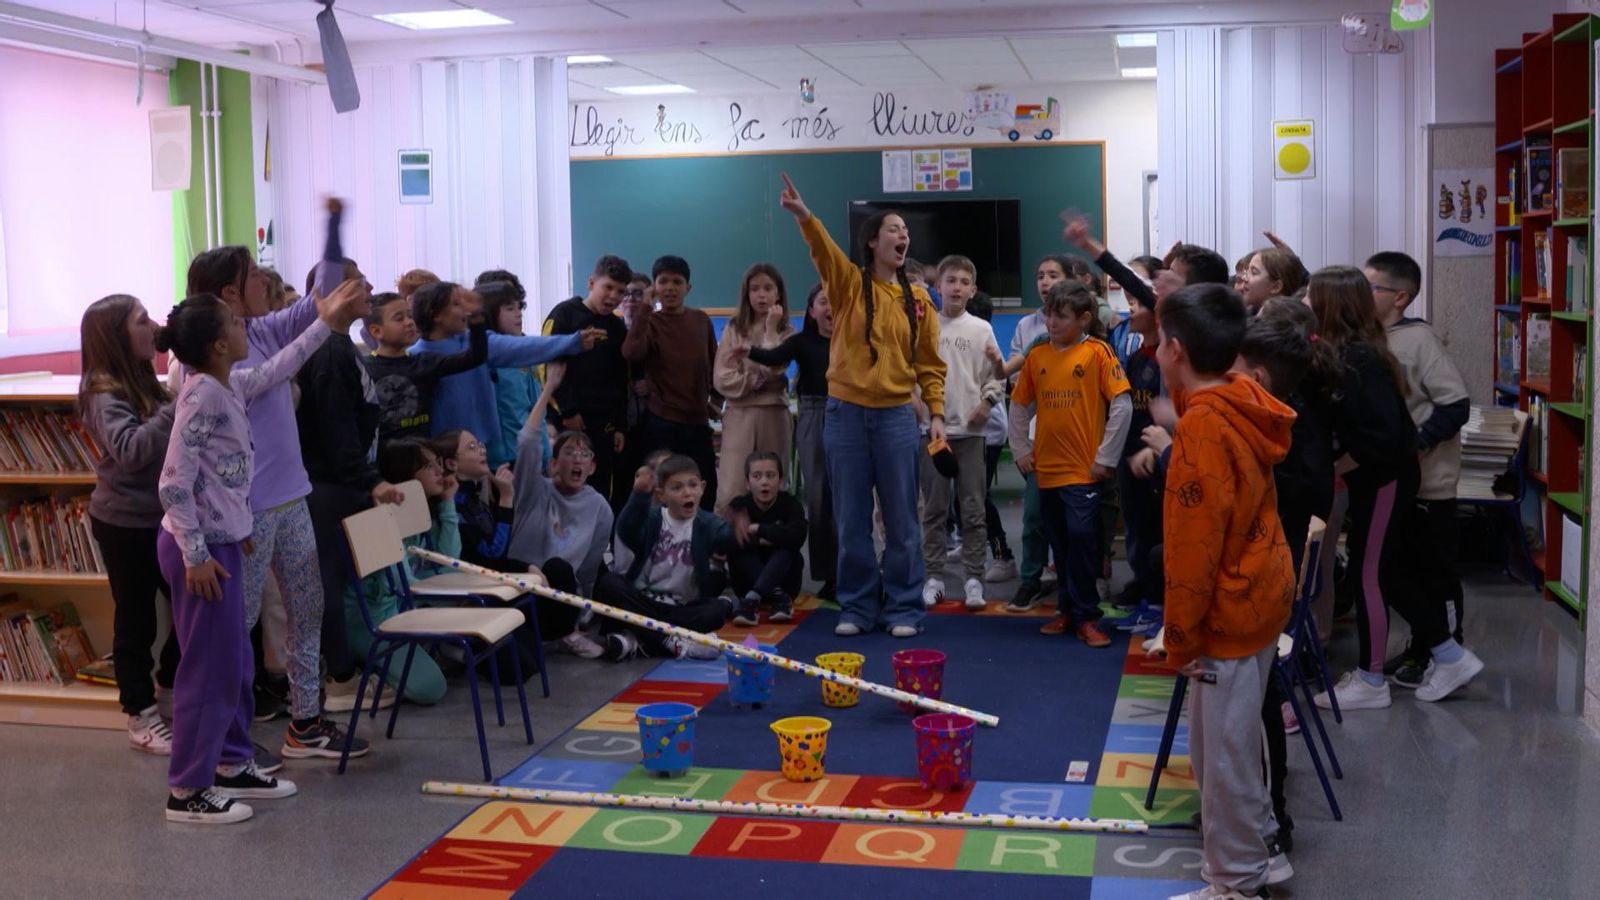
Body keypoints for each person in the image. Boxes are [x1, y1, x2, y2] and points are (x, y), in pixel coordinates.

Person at [155, 285, 360, 825]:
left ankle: (231, 760)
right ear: (220, 344)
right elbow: (173, 484)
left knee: (236, 662)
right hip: (197, 550)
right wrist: (198, 552)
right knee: (209, 670)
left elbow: (283, 364)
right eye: (236, 322)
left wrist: (327, 324)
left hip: (222, 540)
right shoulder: (201, 395)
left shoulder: (228, 386)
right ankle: (187, 789)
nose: (248, 325)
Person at [1151, 283, 1297, 900]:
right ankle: (1261, 848)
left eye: (1160, 342)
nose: (1154, 351)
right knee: (1232, 743)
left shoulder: (1202, 431)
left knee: (1222, 759)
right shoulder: (1237, 396)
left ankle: (1236, 885)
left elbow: (1193, 548)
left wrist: (1179, 637)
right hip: (1261, 593)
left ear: (1177, 349)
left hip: (1229, 610)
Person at [184, 216, 346, 767]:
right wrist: (325, 322)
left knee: (308, 608)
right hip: (243, 514)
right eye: (254, 276)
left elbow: (320, 299)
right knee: (237, 629)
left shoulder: (256, 329)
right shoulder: (206, 359)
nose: (265, 283)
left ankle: (305, 722)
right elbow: (278, 370)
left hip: (290, 497)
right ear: (230, 291)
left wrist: (332, 229)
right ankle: (230, 741)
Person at [780, 173, 946, 638]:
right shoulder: (849, 285)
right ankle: (856, 607)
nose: (903, 236)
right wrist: (805, 216)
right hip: (845, 416)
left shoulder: (919, 301)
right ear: (872, 241)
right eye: (894, 229)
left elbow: (931, 364)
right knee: (850, 519)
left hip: (896, 417)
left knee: (901, 520)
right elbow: (825, 252)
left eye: (906, 231)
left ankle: (904, 608)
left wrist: (934, 414)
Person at [1366, 251, 1483, 699]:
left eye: (1371, 287)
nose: (1363, 294)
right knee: (1404, 568)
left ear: (1400, 297)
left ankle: (1446, 651)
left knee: (1434, 571)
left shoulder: (1418, 340)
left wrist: (1415, 443)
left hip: (1429, 481)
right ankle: (1422, 647)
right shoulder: (1376, 337)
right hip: (1398, 481)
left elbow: (1455, 404)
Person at [1306, 267, 1419, 713]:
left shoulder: (1361, 359)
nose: (1306, 303)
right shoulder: (1343, 352)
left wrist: (1336, 465)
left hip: (1386, 479)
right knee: (1369, 572)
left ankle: (1373, 679)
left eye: (1312, 297)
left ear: (1330, 305)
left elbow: (1382, 439)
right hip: (1371, 477)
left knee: (1368, 575)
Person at [78, 294, 180, 755]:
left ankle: (169, 685)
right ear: (118, 336)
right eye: (142, 321)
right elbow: (133, 451)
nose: (153, 326)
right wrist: (174, 408)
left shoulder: (143, 379)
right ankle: (139, 714)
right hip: (125, 524)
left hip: (160, 519)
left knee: (190, 605)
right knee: (136, 620)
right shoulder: (103, 392)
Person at [1007, 281, 1131, 646]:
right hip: (1047, 469)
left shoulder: (1097, 353)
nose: (1051, 322)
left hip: (1084, 471)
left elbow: (1121, 405)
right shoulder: (1038, 356)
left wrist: (1105, 457)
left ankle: (1087, 615)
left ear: (1084, 318)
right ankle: (1067, 610)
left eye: (1061, 316)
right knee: (1058, 543)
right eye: (1048, 315)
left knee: (1082, 539)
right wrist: (1020, 449)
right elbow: (1018, 405)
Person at [410, 280, 597, 467]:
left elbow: (520, 347)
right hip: (442, 459)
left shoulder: (477, 343)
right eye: (457, 304)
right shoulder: (415, 358)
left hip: (487, 458)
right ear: (436, 315)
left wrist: (572, 342)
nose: (465, 310)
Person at [343, 439, 460, 706]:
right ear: (406, 477)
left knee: (459, 596)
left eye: (439, 465)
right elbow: (404, 585)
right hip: (371, 619)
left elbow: (448, 563)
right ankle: (367, 669)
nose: (440, 473)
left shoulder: (420, 516)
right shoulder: (379, 518)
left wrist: (448, 504)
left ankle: (434, 651)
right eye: (429, 466)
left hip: (400, 602)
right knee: (432, 687)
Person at [920, 255, 1005, 611]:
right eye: (949, 280)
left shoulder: (981, 329)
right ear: (937, 287)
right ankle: (934, 576)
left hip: (970, 433)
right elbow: (913, 375)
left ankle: (973, 578)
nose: (956, 286)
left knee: (972, 508)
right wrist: (920, 410)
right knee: (934, 509)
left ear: (973, 289)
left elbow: (996, 376)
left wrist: (986, 404)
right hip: (933, 432)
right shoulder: (924, 326)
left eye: (963, 281)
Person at [596, 455, 736, 658]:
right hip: (643, 601)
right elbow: (627, 530)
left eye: (692, 485)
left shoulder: (707, 523)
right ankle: (670, 641)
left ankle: (637, 640)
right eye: (677, 488)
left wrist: (738, 527)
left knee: (714, 611)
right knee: (609, 583)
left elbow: (725, 538)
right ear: (661, 494)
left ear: (702, 488)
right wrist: (639, 496)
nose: (687, 492)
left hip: (680, 609)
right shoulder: (653, 518)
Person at [747, 284, 836, 600]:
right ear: (812, 311)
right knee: (820, 500)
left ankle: (856, 571)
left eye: (837, 302)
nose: (830, 309)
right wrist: (744, 349)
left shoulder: (852, 342)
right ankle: (829, 575)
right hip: (814, 413)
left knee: (851, 500)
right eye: (824, 302)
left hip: (851, 415)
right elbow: (772, 357)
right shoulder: (801, 342)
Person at [506, 365, 616, 603]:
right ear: (554, 463)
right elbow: (527, 443)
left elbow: (589, 569)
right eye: (569, 452)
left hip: (564, 598)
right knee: (555, 567)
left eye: (584, 454)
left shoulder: (600, 508)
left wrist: (584, 611)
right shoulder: (533, 489)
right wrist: (548, 390)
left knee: (609, 583)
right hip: (522, 588)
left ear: (593, 467)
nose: (577, 458)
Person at [1001, 254, 1074, 611]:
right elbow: (1017, 392)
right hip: (1037, 440)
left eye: (1053, 275)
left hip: (1078, 448)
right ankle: (1030, 579)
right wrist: (1019, 448)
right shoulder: (1033, 341)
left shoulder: (1092, 344)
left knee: (1074, 521)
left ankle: (1074, 585)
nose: (1045, 281)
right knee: (1034, 516)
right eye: (1040, 275)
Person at [621, 255, 722, 510]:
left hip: (697, 422)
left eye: (677, 282)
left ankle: (699, 547)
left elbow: (714, 364)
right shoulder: (651, 322)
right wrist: (645, 306)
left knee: (704, 492)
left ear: (688, 288)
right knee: (662, 494)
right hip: (661, 423)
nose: (670, 288)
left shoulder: (701, 321)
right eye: (663, 281)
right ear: (654, 287)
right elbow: (630, 352)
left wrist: (715, 400)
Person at [542, 255, 633, 508]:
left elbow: (620, 379)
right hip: (567, 422)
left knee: (600, 491)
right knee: (564, 489)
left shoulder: (617, 327)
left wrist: (620, 426)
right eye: (608, 288)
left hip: (604, 426)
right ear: (591, 283)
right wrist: (567, 410)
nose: (613, 296)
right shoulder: (564, 315)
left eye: (620, 291)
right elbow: (545, 366)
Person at [714, 263, 797, 514]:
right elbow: (722, 377)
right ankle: (728, 548)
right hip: (740, 414)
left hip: (774, 413)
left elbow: (775, 369)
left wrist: (770, 330)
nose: (761, 295)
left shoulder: (787, 331)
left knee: (771, 484)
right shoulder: (733, 329)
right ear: (746, 294)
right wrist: (752, 380)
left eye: (768, 288)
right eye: (755, 289)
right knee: (732, 487)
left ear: (778, 293)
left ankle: (771, 544)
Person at [363, 291, 489, 443]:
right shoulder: (365, 368)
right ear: (377, 331)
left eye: (410, 316)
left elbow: (475, 357)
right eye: (399, 319)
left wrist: (475, 318)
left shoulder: (425, 362)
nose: (409, 322)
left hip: (423, 454)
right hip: (381, 458)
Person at [726, 451, 808, 625]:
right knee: (738, 547)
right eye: (757, 476)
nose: (764, 482)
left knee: (787, 548)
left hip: (786, 579)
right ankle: (775, 596)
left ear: (780, 480)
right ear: (747, 483)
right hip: (746, 581)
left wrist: (760, 529)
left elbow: (798, 536)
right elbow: (728, 541)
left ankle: (753, 599)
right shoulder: (740, 505)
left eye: (770, 476)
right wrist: (771, 537)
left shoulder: (791, 504)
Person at [479, 279, 549, 471]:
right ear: (489, 313)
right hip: (498, 462)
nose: (519, 313)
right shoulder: (480, 358)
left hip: (531, 454)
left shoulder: (524, 351)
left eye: (519, 307)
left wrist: (547, 454)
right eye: (510, 308)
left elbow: (535, 409)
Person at [1239, 247, 1307, 315]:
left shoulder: (1290, 323)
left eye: (1254, 272)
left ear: (1276, 287)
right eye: (1247, 271)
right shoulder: (1242, 318)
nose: (1244, 278)